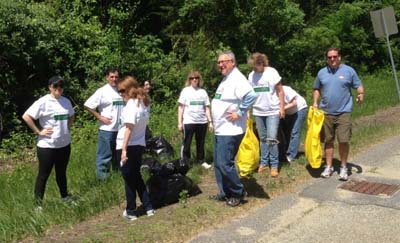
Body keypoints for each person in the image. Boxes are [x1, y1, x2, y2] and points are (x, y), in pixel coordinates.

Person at [210, 50, 257, 207]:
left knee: (225, 163)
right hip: (221, 129)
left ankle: (238, 192)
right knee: (218, 163)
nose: (221, 64)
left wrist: (240, 111)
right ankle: (225, 192)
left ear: (233, 62)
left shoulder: (237, 78)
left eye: (224, 61)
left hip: (230, 130)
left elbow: (251, 95)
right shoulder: (226, 79)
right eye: (219, 62)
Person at [22, 75, 75, 209]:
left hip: (64, 144)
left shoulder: (66, 101)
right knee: (43, 175)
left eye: (61, 87)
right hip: (47, 146)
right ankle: (38, 205)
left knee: (61, 173)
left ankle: (65, 197)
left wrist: (68, 127)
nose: (58, 89)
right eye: (55, 87)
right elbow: (26, 116)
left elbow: (71, 115)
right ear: (50, 87)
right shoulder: (43, 102)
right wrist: (39, 131)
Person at [313, 47, 364, 181]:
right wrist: (315, 102)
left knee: (343, 140)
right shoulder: (322, 72)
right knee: (328, 140)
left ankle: (343, 167)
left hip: (344, 112)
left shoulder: (348, 71)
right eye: (329, 57)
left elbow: (358, 85)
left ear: (339, 57)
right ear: (326, 59)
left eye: (335, 56)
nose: (332, 59)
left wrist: (360, 93)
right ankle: (328, 166)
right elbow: (316, 88)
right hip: (326, 112)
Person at [116, 75, 154, 220]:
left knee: (128, 178)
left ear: (129, 90)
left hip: (127, 145)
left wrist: (124, 150)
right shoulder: (143, 103)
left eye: (122, 91)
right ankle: (148, 205)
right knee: (136, 176)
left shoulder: (132, 105)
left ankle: (131, 210)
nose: (121, 94)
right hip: (139, 144)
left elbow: (129, 128)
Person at [248, 52, 285, 177]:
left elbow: (280, 91)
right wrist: (248, 111)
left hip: (273, 110)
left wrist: (282, 108)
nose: (257, 66)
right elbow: (250, 95)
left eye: (259, 63)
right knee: (263, 139)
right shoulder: (251, 76)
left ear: (263, 62)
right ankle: (264, 164)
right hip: (258, 111)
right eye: (254, 64)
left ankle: (274, 165)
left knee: (271, 139)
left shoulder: (272, 72)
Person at [84, 68, 124, 180]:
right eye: (111, 77)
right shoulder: (102, 91)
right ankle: (102, 179)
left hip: (120, 129)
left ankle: (118, 176)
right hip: (107, 129)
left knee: (118, 155)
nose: (114, 79)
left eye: (116, 77)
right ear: (107, 77)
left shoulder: (121, 90)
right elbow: (88, 105)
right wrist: (100, 117)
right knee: (104, 156)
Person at [177, 70, 213, 169]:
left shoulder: (203, 92)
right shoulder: (185, 91)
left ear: (199, 79)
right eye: (192, 78)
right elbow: (181, 107)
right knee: (186, 143)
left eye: (196, 78)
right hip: (189, 121)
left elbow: (207, 108)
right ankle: (185, 162)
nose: (194, 80)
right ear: (189, 80)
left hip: (202, 121)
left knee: (201, 142)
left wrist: (210, 122)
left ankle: (201, 160)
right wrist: (179, 123)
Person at [281, 85, 308, 163]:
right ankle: (285, 151)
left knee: (294, 132)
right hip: (288, 112)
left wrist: (281, 109)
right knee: (286, 132)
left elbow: (294, 103)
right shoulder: (271, 94)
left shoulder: (286, 89)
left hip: (300, 109)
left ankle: (291, 155)